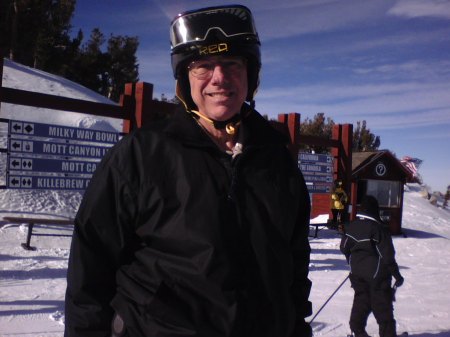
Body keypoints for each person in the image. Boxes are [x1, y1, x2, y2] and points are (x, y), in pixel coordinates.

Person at [64, 4, 313, 337]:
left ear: (250, 75)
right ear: (185, 78)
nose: (219, 78)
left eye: (232, 64)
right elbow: (91, 263)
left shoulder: (276, 158)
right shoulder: (142, 155)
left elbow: (294, 263)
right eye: (203, 66)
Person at [340, 195, 404, 337]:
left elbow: (344, 247)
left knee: (361, 303)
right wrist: (397, 275)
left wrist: (353, 262)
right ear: (375, 210)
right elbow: (387, 256)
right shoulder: (379, 229)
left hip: (357, 275)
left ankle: (358, 331)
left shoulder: (351, 226)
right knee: (383, 310)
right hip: (378, 278)